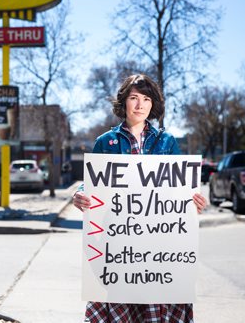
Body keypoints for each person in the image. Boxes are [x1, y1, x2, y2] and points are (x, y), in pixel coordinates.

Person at [73, 73, 207, 323]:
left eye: (146, 99)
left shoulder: (166, 142)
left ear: (153, 103)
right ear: (124, 102)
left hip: (157, 247)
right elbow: (92, 182)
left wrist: (195, 201)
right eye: (134, 98)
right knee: (118, 300)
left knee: (155, 306)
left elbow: (180, 189)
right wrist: (80, 194)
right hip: (117, 243)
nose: (140, 105)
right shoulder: (106, 142)